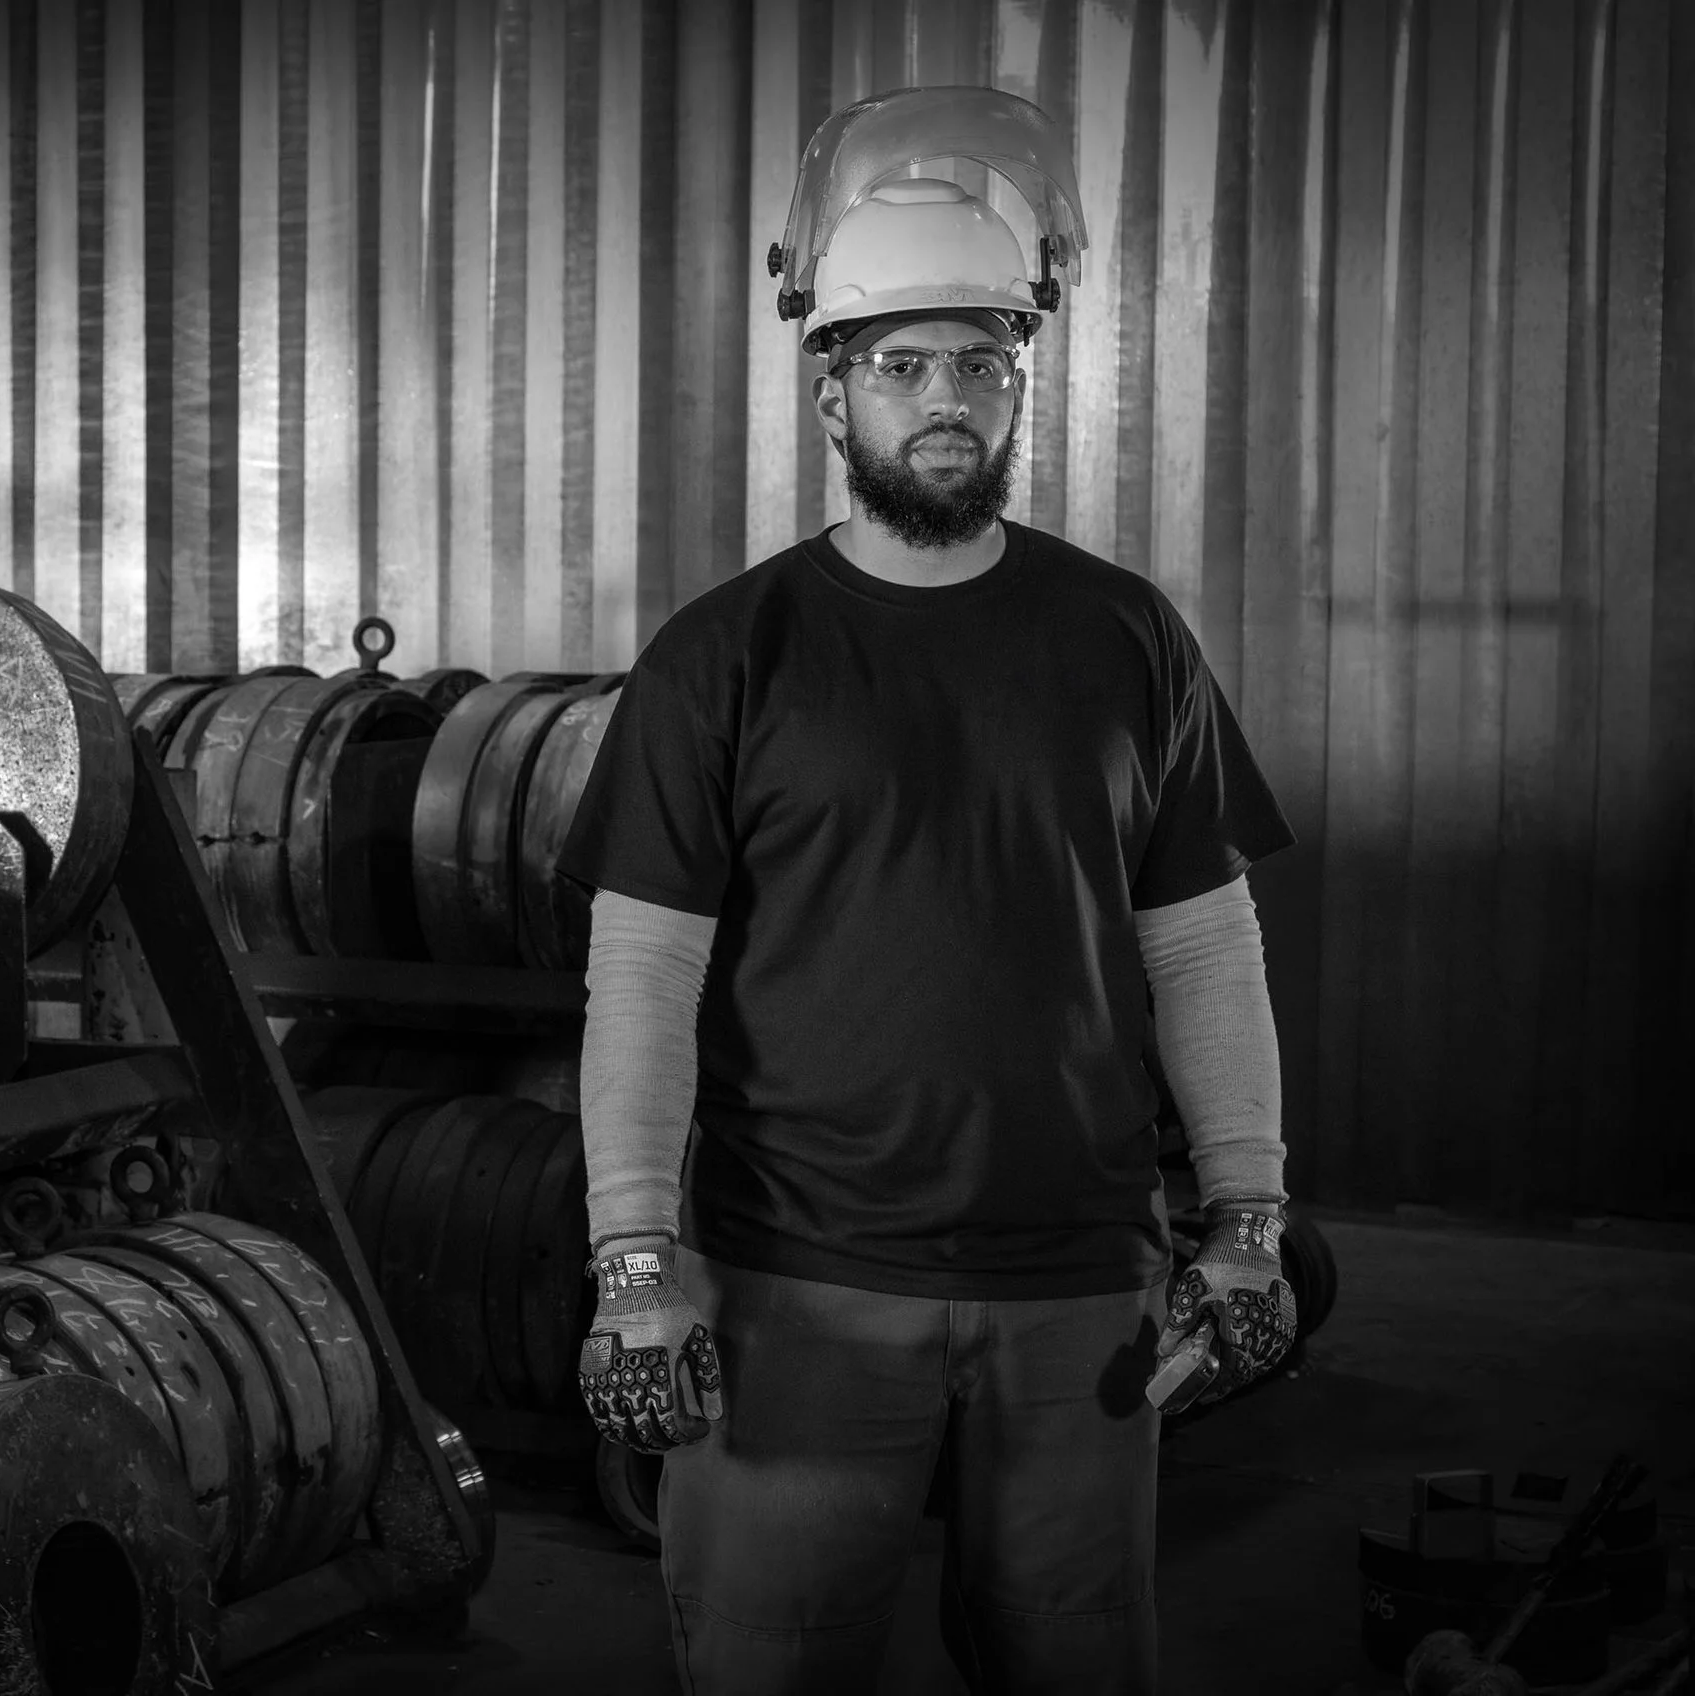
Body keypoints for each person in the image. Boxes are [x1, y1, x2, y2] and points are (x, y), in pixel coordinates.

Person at [553, 86, 1300, 1695]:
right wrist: (632, 1259)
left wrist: (1246, 1219)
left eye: (981, 360)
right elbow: (645, 979)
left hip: (1082, 1292)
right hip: (794, 1296)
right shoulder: (722, 659)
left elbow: (1206, 949)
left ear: (1022, 380)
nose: (945, 398)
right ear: (832, 396)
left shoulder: (1127, 640)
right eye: (901, 364)